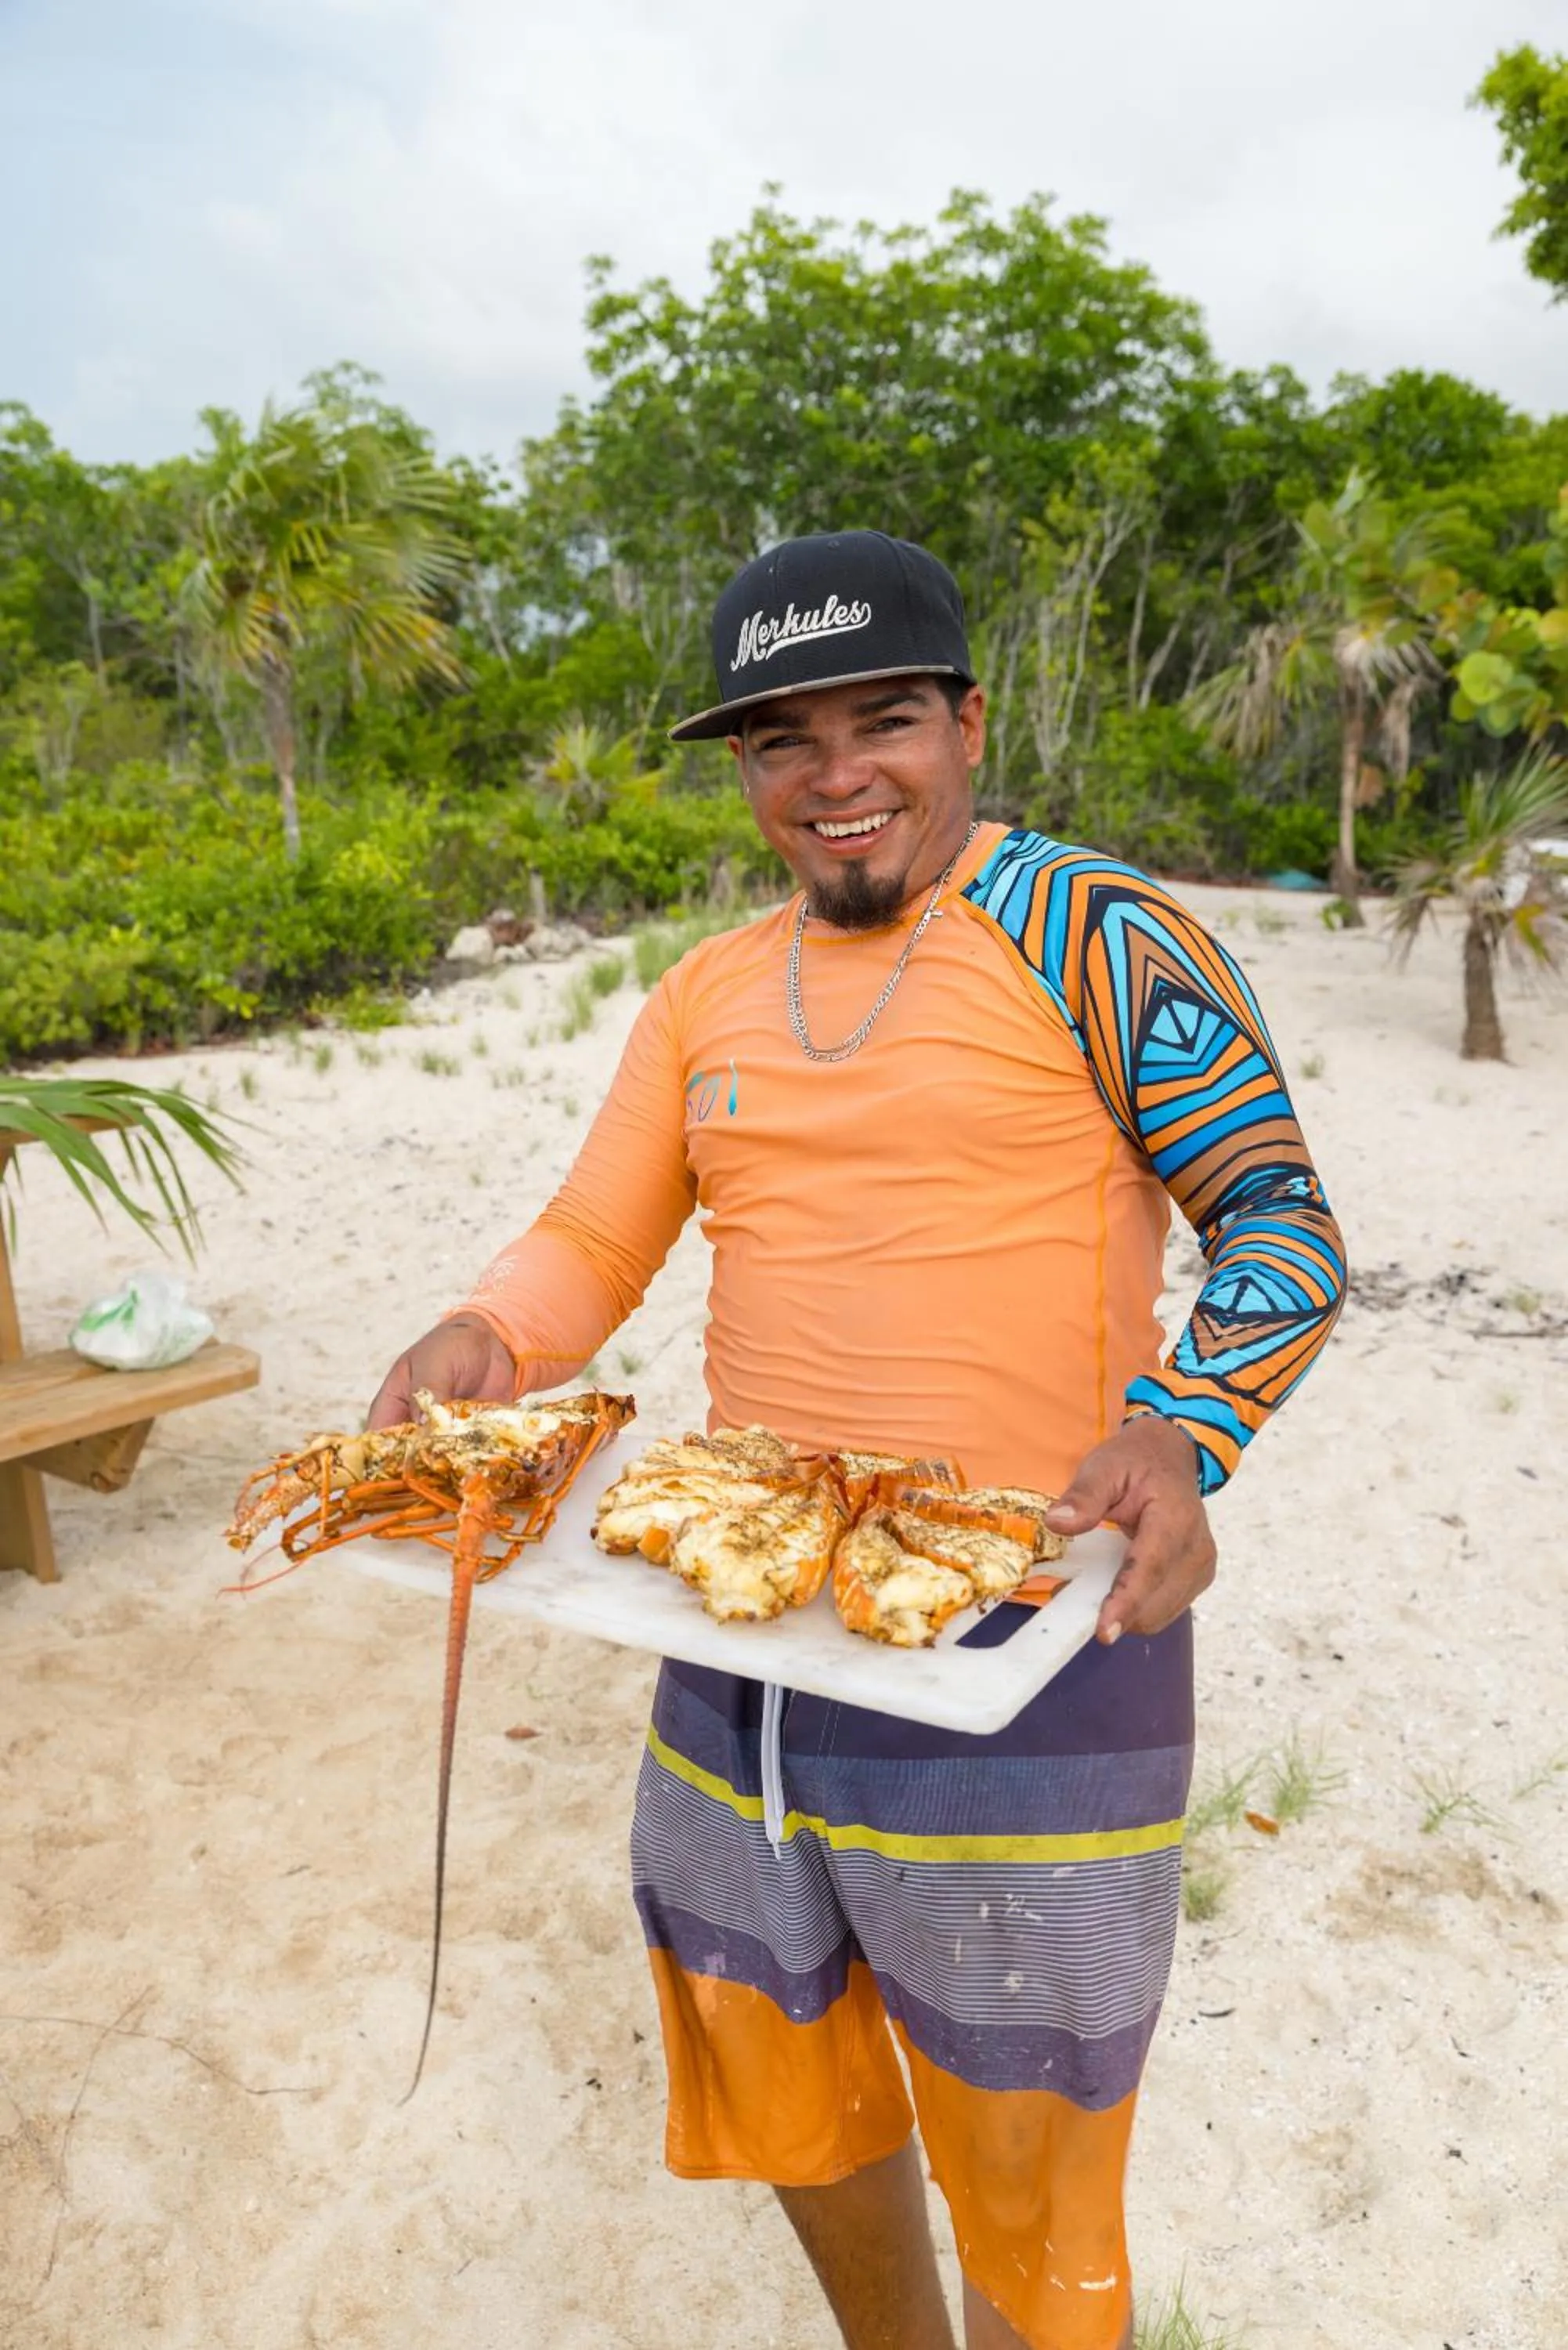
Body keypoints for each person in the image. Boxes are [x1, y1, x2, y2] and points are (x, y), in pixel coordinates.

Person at [369, 531, 1346, 2350]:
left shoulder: (1094, 933)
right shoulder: (706, 995)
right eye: (777, 742)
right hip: (734, 1643)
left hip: (1030, 1652)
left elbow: (1279, 1221)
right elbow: (592, 1242)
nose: (835, 778)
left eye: (880, 720)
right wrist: (488, 1330)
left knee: (1030, 2138)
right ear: (741, 771)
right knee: (780, 2067)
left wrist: (1180, 1431)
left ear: (966, 726)